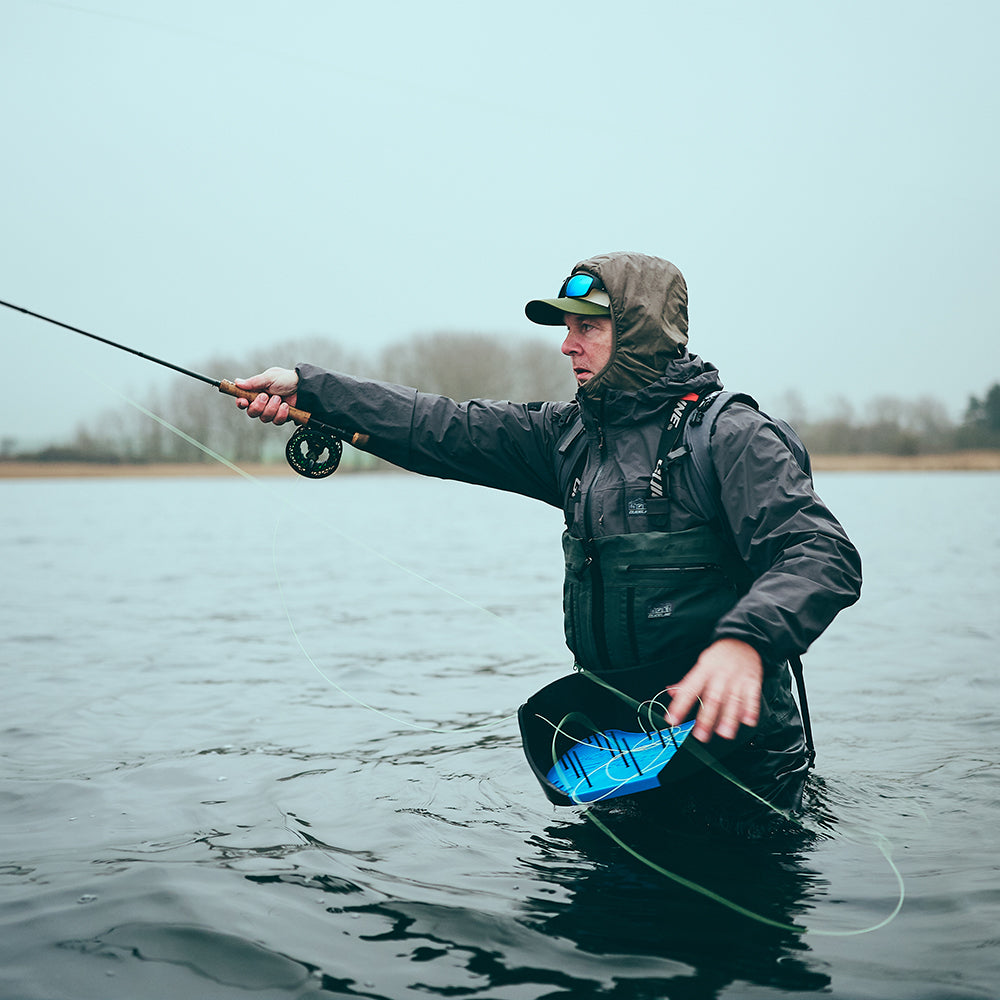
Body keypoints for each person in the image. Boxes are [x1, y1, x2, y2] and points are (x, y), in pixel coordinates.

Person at [234, 252, 862, 830]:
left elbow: (821, 553)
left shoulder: (730, 436)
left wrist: (745, 643)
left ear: (640, 332)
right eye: (565, 328)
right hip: (625, 755)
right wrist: (311, 390)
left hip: (743, 772)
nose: (567, 345)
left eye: (587, 327)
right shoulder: (568, 438)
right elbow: (437, 425)